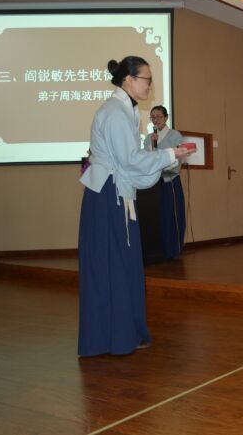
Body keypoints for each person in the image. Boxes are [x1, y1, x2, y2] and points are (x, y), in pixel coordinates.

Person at [78, 56, 192, 357]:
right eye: (147, 79)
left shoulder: (125, 110)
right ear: (128, 79)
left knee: (122, 265)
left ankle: (121, 333)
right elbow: (129, 160)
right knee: (115, 266)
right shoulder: (116, 112)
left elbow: (129, 162)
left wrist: (165, 156)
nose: (150, 85)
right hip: (108, 196)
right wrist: (170, 155)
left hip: (114, 193)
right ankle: (114, 336)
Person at [143, 105, 186, 260]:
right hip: (153, 183)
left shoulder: (174, 135)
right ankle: (158, 251)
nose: (155, 120)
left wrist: (161, 161)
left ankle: (173, 250)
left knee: (171, 215)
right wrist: (152, 145)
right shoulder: (149, 138)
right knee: (156, 217)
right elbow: (145, 159)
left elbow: (178, 158)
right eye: (153, 117)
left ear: (166, 118)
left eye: (159, 117)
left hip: (170, 181)